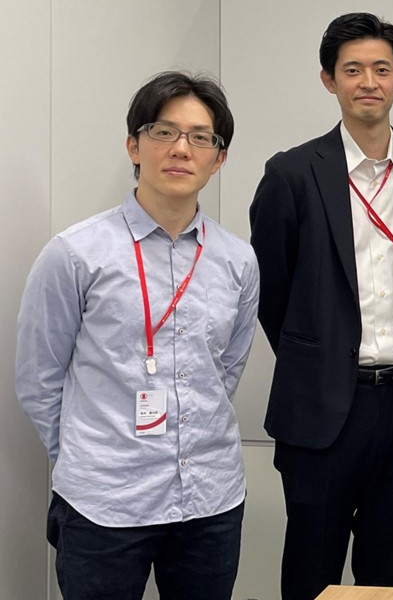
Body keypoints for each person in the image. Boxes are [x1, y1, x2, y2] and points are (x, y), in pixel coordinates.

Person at [16, 72, 258, 600]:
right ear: (133, 145)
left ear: (218, 159)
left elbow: (226, 369)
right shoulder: (76, 254)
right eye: (163, 131)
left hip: (210, 500)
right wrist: (90, 455)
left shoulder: (238, 260)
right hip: (105, 503)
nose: (181, 149)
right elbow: (39, 377)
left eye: (201, 137)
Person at [249, 12, 393, 600]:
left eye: (381, 69)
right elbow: (272, 291)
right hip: (319, 409)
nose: (368, 81)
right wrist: (318, 354)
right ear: (328, 80)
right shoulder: (291, 173)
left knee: (390, 572)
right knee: (311, 570)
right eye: (352, 70)